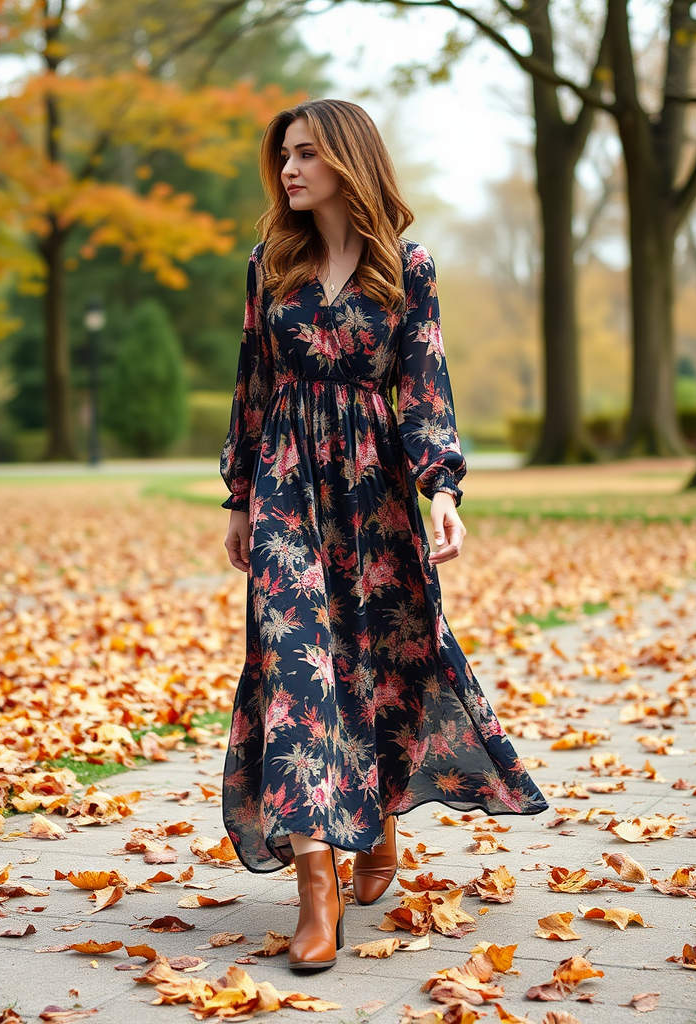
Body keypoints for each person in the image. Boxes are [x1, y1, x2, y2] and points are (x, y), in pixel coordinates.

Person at [220, 98, 548, 972]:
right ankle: (315, 887)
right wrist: (238, 497)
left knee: (378, 659)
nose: (288, 170)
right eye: (283, 156)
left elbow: (426, 385)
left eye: (306, 155)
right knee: (296, 670)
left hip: (376, 491)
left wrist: (445, 489)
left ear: (347, 161)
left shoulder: (408, 265)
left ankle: (378, 821)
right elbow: (253, 385)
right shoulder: (270, 267)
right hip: (290, 483)